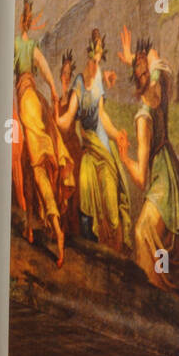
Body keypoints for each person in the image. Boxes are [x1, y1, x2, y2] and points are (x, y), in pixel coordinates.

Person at [115, 27, 179, 309]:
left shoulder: (142, 119)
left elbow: (141, 179)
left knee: (143, 232)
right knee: (173, 246)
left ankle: (156, 299)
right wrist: (133, 58)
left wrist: (124, 156)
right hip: (175, 176)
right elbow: (155, 59)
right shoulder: (160, 88)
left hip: (163, 184)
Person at [53, 32, 131, 255]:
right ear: (87, 58)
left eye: (99, 61)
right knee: (85, 195)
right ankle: (91, 253)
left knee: (111, 208)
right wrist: (57, 121)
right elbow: (69, 120)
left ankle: (115, 253)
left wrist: (117, 135)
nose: (96, 66)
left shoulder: (99, 80)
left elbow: (102, 116)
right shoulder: (78, 82)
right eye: (93, 61)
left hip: (104, 150)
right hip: (88, 151)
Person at [13, 0, 68, 267]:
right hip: (36, 98)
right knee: (33, 165)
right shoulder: (32, 47)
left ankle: (56, 227)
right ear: (29, 22)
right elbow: (46, 72)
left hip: (26, 102)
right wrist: (55, 92)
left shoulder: (16, 45)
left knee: (36, 168)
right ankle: (30, 226)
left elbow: (10, 73)